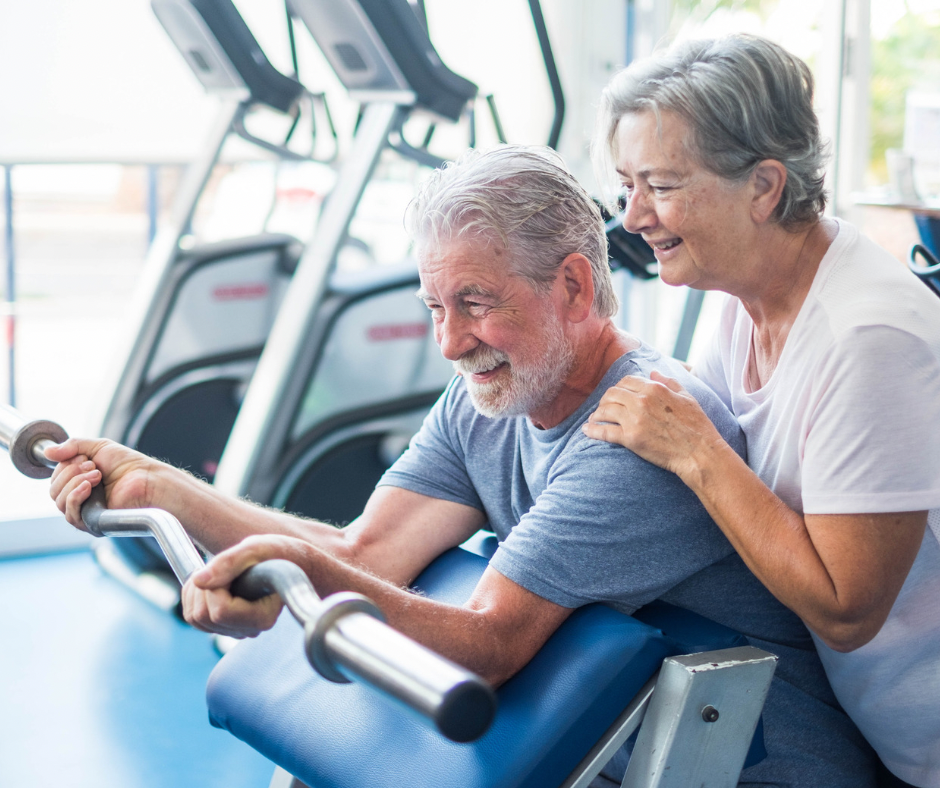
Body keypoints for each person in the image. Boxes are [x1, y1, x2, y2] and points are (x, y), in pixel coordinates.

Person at [49, 145, 873, 786]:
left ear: (576, 289)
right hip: (619, 752)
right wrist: (165, 490)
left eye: (475, 303)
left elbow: (486, 643)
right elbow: (364, 556)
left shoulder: (638, 433)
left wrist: (290, 570)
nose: (450, 343)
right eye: (436, 307)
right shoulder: (487, 397)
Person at [584, 34, 940, 788]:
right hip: (878, 727)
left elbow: (848, 609)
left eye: (662, 184)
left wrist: (697, 452)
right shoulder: (746, 297)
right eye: (627, 185)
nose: (635, 215)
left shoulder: (866, 337)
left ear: (764, 187)